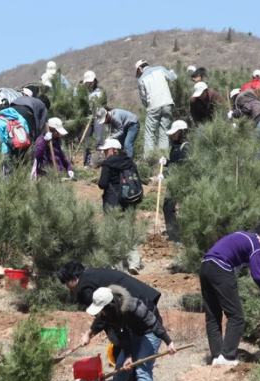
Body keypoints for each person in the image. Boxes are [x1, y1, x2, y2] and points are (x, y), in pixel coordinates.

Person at [79, 286, 177, 381]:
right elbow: (122, 335)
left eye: (102, 310)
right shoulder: (110, 314)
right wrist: (129, 356)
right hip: (134, 332)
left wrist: (169, 342)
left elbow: (153, 323)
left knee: (142, 369)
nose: (100, 314)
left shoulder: (133, 305)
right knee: (120, 366)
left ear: (110, 305)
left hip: (150, 332)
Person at [199, 220, 260, 365]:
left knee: (213, 315)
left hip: (205, 266)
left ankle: (217, 357)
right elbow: (257, 276)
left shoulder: (242, 235)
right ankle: (227, 357)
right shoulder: (256, 246)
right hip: (221, 268)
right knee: (237, 317)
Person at [97, 138, 143, 273]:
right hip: (129, 200)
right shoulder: (130, 162)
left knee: (113, 232)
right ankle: (134, 262)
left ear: (113, 150)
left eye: (106, 150)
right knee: (128, 231)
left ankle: (115, 266)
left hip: (112, 201)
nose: (104, 153)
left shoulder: (108, 163)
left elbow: (102, 184)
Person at [58, 261, 162, 309]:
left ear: (74, 278)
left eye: (66, 282)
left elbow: (103, 312)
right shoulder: (90, 274)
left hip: (137, 304)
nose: (67, 287)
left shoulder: (84, 287)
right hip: (145, 296)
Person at [135, 59, 177, 153]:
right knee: (164, 132)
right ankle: (163, 159)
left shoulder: (142, 79)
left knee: (149, 134)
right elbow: (174, 78)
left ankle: (150, 160)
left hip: (153, 106)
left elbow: (143, 98)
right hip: (167, 103)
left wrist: (148, 106)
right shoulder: (160, 69)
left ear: (140, 68)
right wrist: (172, 72)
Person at [159, 120, 190, 242]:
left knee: (179, 208)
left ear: (182, 131)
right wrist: (167, 162)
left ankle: (178, 236)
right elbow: (175, 163)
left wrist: (166, 173)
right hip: (174, 180)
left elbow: (183, 166)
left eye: (175, 133)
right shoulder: (176, 145)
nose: (173, 135)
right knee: (167, 207)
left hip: (182, 182)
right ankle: (174, 234)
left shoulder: (186, 147)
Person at [0, 97, 31, 174]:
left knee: (8, 177)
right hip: (22, 148)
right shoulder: (19, 116)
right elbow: (27, 131)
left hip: (7, 151)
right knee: (21, 174)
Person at [231, 89, 260, 159]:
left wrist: (233, 114)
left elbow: (246, 110)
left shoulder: (241, 99)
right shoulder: (254, 100)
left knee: (255, 149)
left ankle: (255, 168)